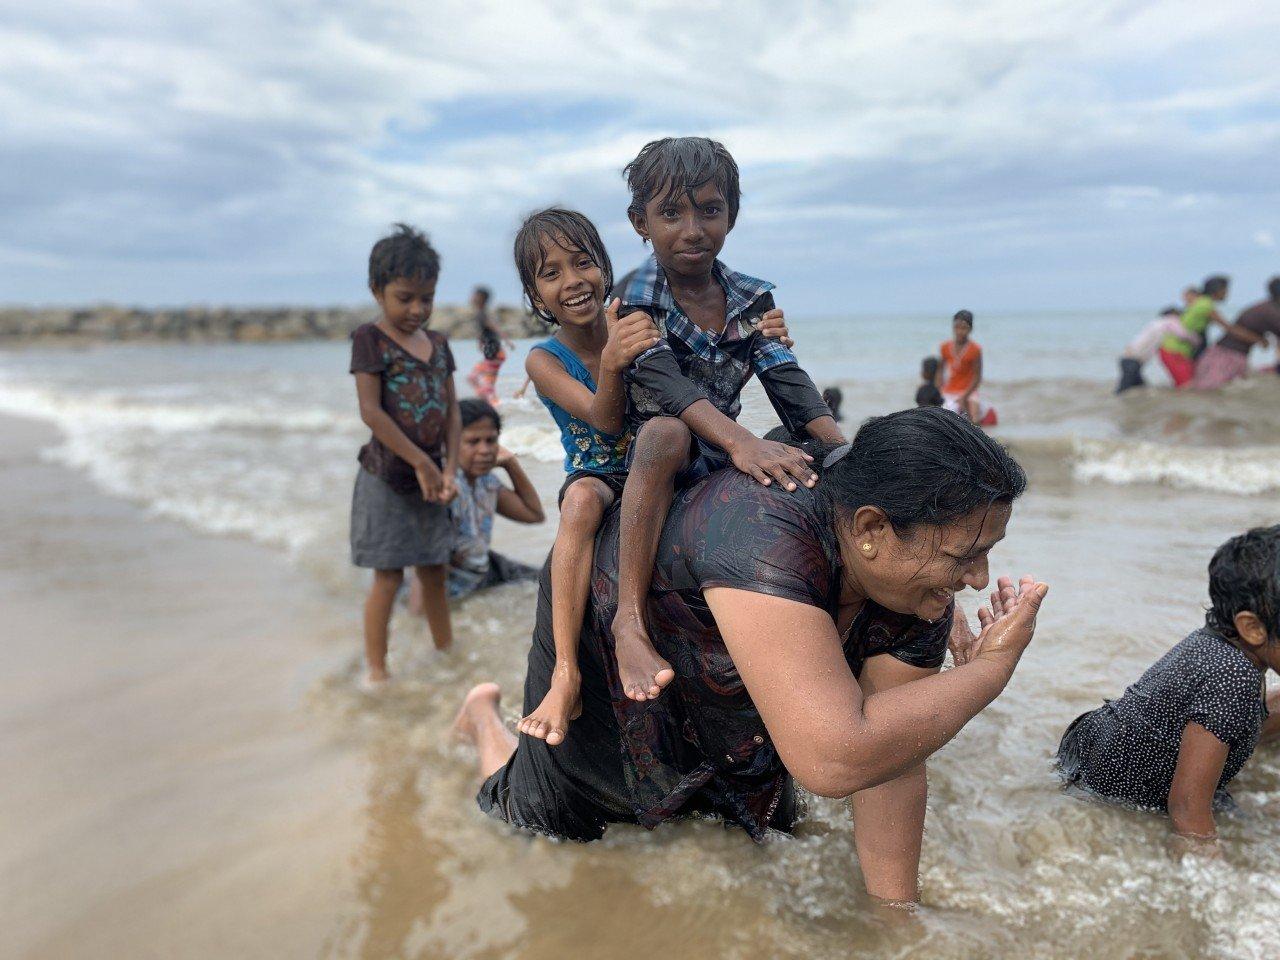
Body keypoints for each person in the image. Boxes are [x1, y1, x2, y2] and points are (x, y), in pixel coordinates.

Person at [453, 407, 1046, 903]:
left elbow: (889, 756)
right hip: (620, 660)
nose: (978, 579)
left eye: (987, 553)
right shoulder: (763, 532)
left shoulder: (915, 589)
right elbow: (833, 759)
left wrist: (897, 921)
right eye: (964, 555)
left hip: (728, 699)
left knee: (753, 828)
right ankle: (484, 718)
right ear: (871, 528)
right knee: (542, 819)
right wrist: (989, 673)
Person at [515, 207, 794, 746]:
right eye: (551, 274)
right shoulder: (541, 361)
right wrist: (614, 361)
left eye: (583, 263)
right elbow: (603, 418)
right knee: (580, 507)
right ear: (534, 297)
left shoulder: (641, 314)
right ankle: (567, 673)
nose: (572, 282)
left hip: (666, 461)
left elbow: (711, 349)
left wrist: (764, 332)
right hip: (599, 472)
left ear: (604, 267)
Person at [609, 136, 845, 702]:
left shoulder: (750, 298)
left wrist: (844, 450)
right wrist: (741, 443)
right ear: (640, 222)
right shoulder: (634, 299)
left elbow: (786, 380)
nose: (692, 229)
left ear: (732, 216)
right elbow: (667, 384)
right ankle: (628, 619)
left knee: (808, 449)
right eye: (671, 213)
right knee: (665, 434)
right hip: (656, 451)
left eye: (709, 210)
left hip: (722, 451)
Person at [1056, 526, 1280, 844]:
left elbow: (1236, 720)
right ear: (1252, 627)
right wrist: (1212, 885)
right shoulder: (1233, 680)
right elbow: (1186, 810)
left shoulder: (1223, 644)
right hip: (1112, 785)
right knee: (1248, 837)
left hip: (1093, 742)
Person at [349, 224, 461, 687]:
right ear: (377, 290)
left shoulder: (438, 345)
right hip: (387, 479)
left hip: (434, 479)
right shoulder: (369, 340)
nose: (417, 309)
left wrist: (450, 467)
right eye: (405, 297)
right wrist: (420, 461)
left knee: (434, 570)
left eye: (427, 298)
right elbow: (371, 413)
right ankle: (377, 670)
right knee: (389, 577)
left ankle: (446, 655)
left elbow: (453, 411)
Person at [444, 398, 544, 598]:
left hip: (481, 566)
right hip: (452, 579)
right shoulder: (445, 485)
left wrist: (511, 464)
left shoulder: (486, 482)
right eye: (473, 442)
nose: (484, 450)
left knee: (545, 581)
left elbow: (533, 514)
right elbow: (425, 560)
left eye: (491, 441)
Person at [1190, 277, 1279, 389]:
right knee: (1207, 392)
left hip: (1221, 353)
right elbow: (1229, 328)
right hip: (1228, 357)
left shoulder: (1265, 308)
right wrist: (1259, 340)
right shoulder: (1271, 312)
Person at [1159, 275, 1231, 387]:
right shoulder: (1206, 305)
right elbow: (1228, 327)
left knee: (1188, 386)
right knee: (1188, 387)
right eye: (1225, 290)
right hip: (1174, 351)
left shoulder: (1200, 302)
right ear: (1217, 290)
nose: (1227, 294)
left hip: (1177, 351)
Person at [1116, 307, 1199, 393]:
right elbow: (1183, 334)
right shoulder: (1169, 321)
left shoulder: (1155, 323)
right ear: (1173, 315)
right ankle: (1117, 404)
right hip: (1132, 361)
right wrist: (1196, 340)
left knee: (1140, 388)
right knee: (1123, 389)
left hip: (1129, 359)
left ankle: (1126, 404)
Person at [939, 310, 996, 425]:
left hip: (968, 391)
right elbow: (940, 371)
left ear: (970, 329)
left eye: (964, 328)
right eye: (957, 327)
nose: (960, 331)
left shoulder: (975, 349)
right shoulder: (945, 347)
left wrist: (965, 396)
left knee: (974, 418)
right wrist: (938, 389)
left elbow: (977, 377)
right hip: (949, 390)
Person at [466, 286, 515, 405]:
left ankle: (494, 405)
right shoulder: (479, 314)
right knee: (472, 378)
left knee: (488, 384)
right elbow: (483, 332)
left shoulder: (483, 314)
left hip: (495, 353)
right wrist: (480, 343)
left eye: (474, 295)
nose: (471, 297)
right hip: (492, 353)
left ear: (481, 299)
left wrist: (507, 341)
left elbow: (495, 328)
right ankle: (487, 400)